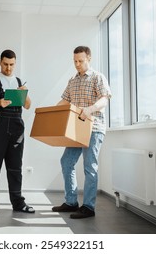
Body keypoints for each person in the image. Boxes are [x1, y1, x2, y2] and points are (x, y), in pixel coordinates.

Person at [52, 46, 112, 219]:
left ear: (89, 59)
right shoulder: (73, 80)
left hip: (94, 128)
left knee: (89, 166)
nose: (77, 64)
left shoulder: (97, 77)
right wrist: (51, 112)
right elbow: (65, 100)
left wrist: (90, 109)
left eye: (81, 61)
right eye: (75, 61)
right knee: (66, 162)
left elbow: (104, 99)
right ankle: (71, 202)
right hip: (77, 129)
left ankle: (88, 207)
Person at [0, 49, 35, 218]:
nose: (8, 68)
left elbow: (28, 106)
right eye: (5, 64)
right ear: (0, 62)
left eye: (11, 65)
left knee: (15, 168)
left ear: (15, 63)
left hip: (17, 129)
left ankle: (18, 203)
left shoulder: (18, 81)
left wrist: (25, 92)